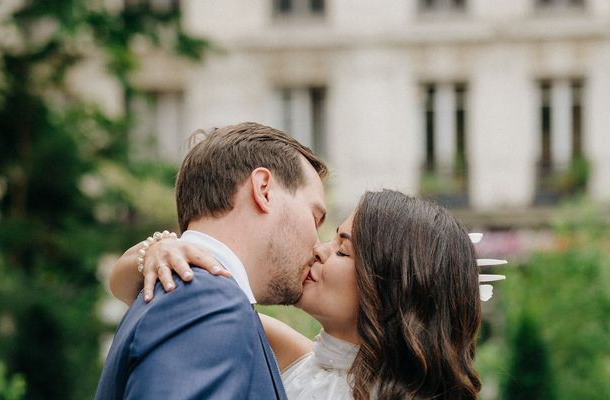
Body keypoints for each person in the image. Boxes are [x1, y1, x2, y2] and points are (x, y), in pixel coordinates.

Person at [111, 189, 492, 399]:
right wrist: (160, 250)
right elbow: (132, 287)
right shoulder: (298, 360)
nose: (319, 250)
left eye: (343, 250)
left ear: (392, 287)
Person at [95, 122, 328, 399]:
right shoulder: (207, 301)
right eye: (315, 218)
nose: (318, 245)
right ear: (264, 189)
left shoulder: (192, 295)